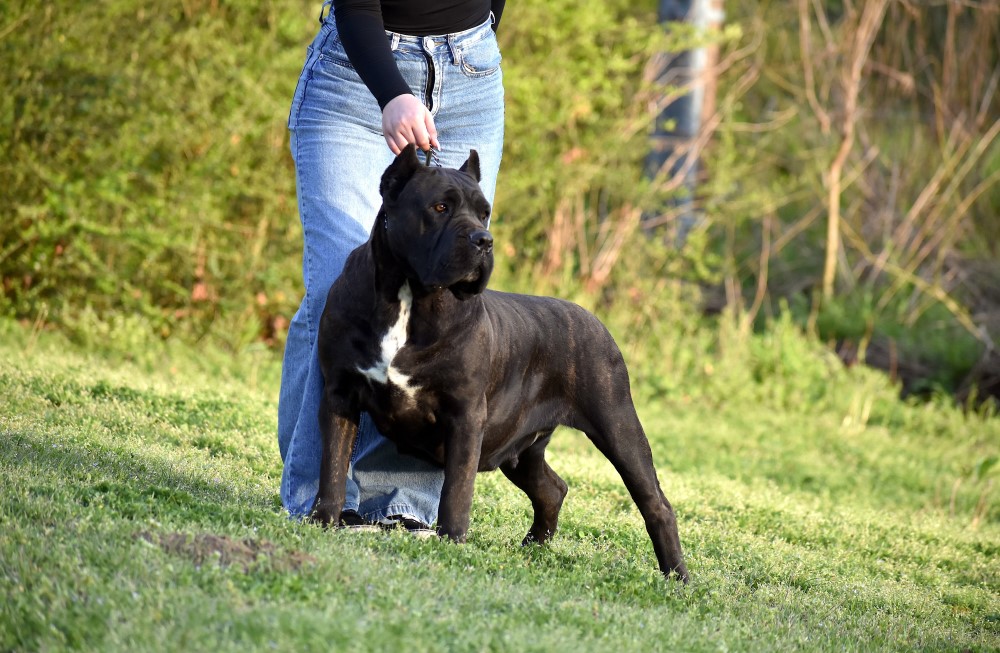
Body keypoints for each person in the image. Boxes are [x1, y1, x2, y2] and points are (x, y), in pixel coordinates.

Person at [278, 0, 506, 533]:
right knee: (339, 288)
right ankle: (321, 498)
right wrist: (393, 92)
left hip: (471, 74)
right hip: (356, 80)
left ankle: (398, 501)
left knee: (441, 295)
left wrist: (477, 39)